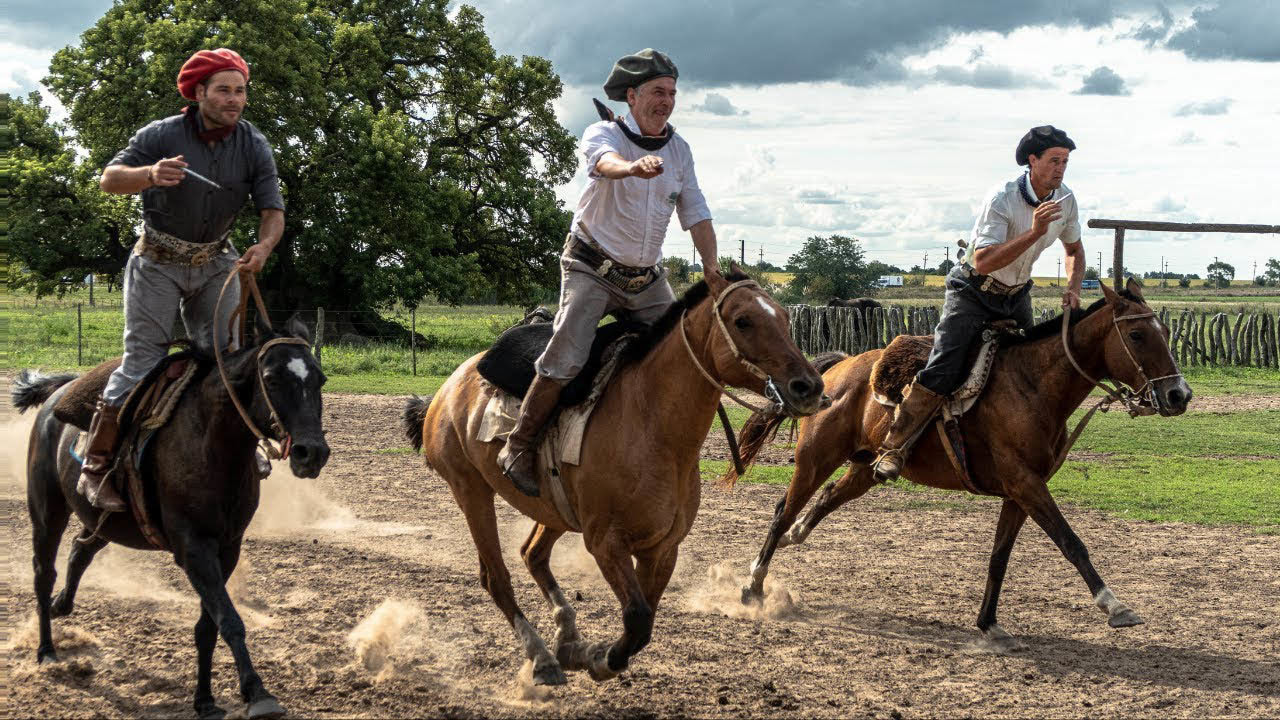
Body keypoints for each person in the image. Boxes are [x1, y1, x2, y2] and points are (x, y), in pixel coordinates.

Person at [498, 48, 722, 496]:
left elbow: (695, 212)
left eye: (673, 93)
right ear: (632, 96)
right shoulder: (604, 133)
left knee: (685, 348)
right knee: (568, 354)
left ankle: (654, 446)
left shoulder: (679, 151)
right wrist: (632, 168)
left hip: (645, 280)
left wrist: (712, 268)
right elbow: (603, 164)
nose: (667, 100)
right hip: (590, 268)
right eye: (658, 92)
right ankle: (518, 446)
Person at [81, 48, 285, 511]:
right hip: (156, 261)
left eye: (240, 90)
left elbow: (273, 211)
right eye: (224, 90)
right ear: (198, 93)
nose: (235, 99)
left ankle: (240, 447)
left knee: (228, 359)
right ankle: (96, 464)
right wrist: (149, 174)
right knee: (141, 363)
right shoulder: (160, 134)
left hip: (218, 262)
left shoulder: (253, 143)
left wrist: (264, 247)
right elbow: (110, 179)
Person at [871, 125, 1085, 482]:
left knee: (1030, 370)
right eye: (1053, 160)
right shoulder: (1002, 198)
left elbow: (1074, 249)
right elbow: (984, 260)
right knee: (944, 367)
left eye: (1065, 161)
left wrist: (1075, 287)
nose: (1060, 168)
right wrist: (1033, 232)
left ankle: (1020, 445)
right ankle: (894, 448)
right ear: (1032, 161)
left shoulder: (1066, 200)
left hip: (1015, 296)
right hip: (972, 291)